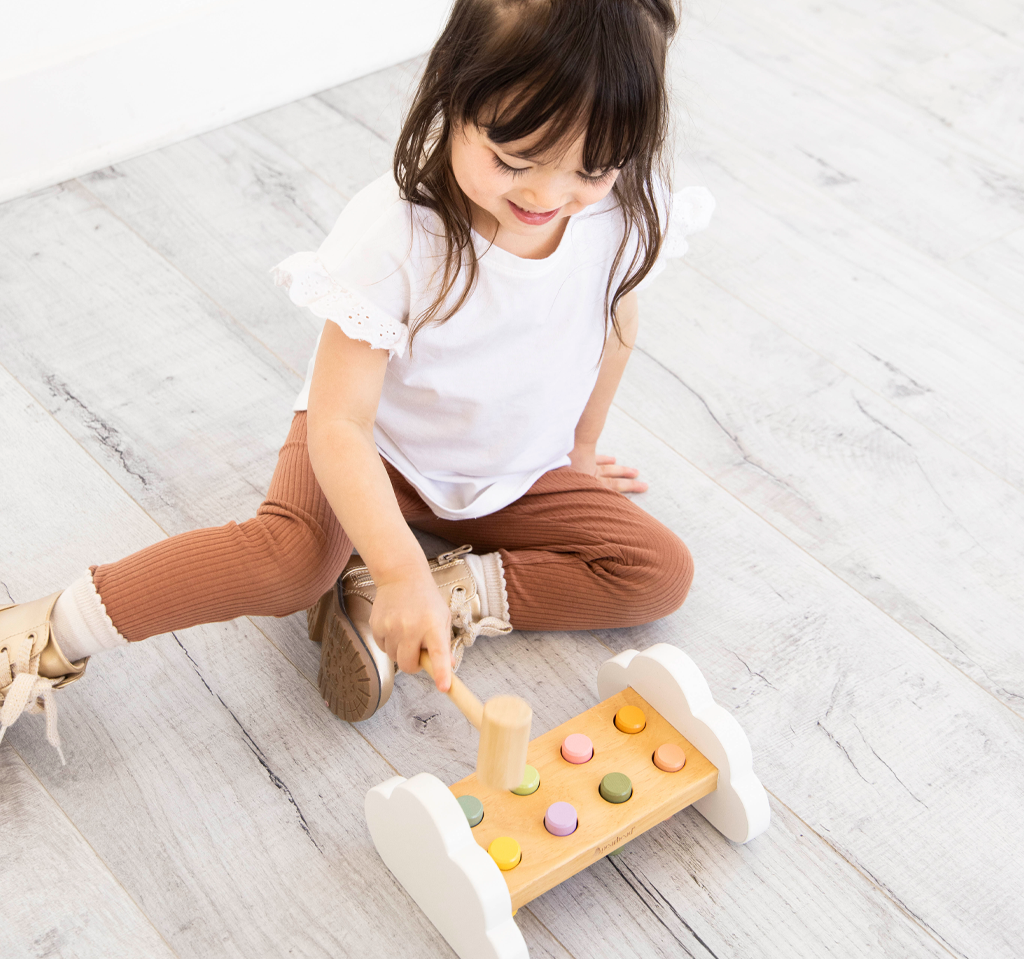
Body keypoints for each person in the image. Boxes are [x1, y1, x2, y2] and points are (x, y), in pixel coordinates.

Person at [0, 0, 713, 759]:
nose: (545, 196)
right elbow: (339, 424)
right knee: (288, 565)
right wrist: (399, 560)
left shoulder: (623, 212)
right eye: (513, 160)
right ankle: (44, 631)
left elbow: (616, 324)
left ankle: (414, 595)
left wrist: (580, 448)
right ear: (454, 96)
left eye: (591, 170)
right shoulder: (399, 233)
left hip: (511, 468)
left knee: (658, 573)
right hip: (372, 453)